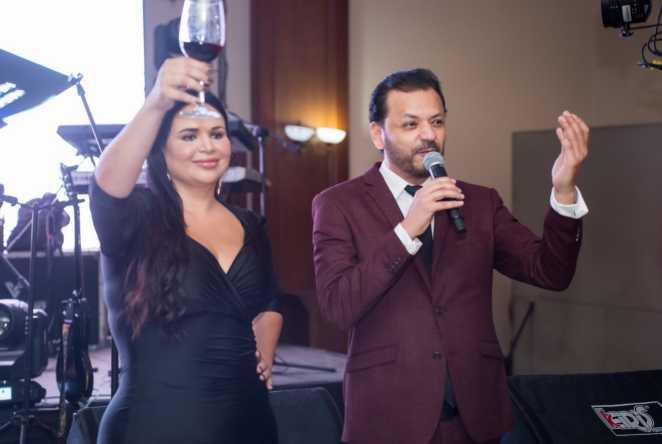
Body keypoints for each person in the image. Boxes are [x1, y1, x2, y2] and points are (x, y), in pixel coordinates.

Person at [312, 68, 589, 444]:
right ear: (378, 134)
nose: (429, 135)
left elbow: (551, 272)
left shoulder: (478, 202)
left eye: (437, 121)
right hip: (387, 418)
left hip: (473, 418)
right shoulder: (338, 204)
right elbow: (338, 306)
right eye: (411, 124)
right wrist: (408, 228)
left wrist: (564, 190)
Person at [91, 56, 283, 444]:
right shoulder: (136, 217)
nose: (207, 146)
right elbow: (105, 185)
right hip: (155, 426)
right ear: (160, 148)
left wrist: (265, 344)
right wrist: (156, 103)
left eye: (217, 134)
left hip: (248, 423)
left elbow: (269, 302)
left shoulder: (251, 224)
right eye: (189, 136)